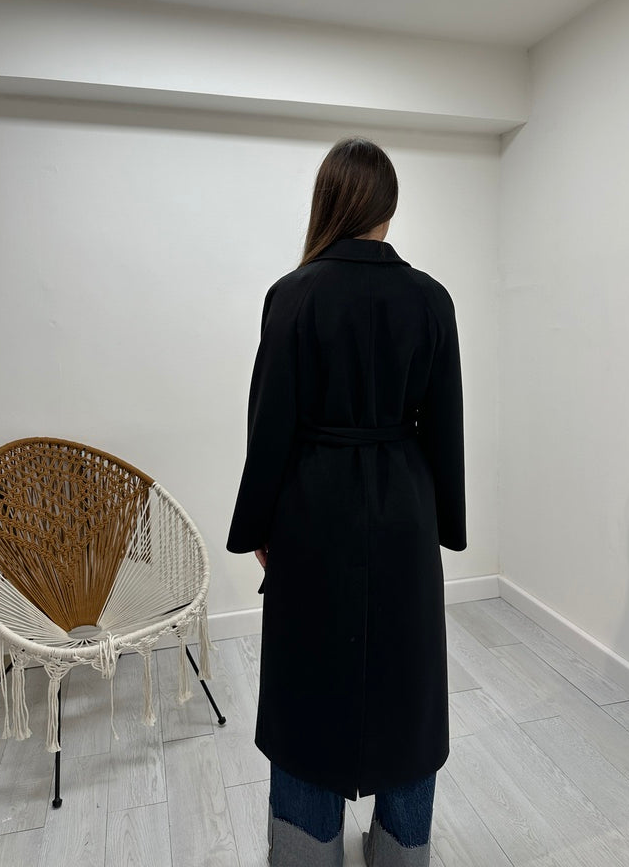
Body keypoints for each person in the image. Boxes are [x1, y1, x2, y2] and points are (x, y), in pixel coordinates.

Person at [226, 135, 467, 866]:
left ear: (328, 201)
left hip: (313, 510)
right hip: (403, 510)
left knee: (307, 688)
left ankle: (306, 850)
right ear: (388, 207)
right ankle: (401, 848)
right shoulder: (431, 299)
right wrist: (443, 522)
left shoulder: (293, 294)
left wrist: (260, 523)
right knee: (408, 689)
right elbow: (445, 422)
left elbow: (270, 421)